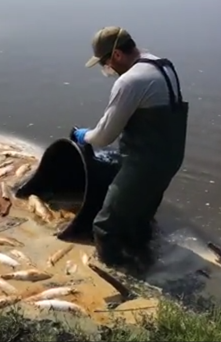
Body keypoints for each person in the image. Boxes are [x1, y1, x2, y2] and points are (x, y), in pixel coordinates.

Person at [72, 26, 188, 273]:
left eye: (105, 63)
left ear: (116, 55)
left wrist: (84, 136)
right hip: (170, 158)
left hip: (144, 164)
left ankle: (122, 273)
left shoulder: (131, 80)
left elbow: (104, 136)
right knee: (140, 216)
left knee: (105, 225)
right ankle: (146, 259)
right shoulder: (162, 65)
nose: (108, 70)